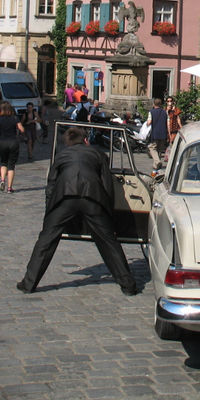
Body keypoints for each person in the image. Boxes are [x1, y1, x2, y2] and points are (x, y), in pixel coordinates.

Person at [17, 126, 138, 295]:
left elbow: (51, 185)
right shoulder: (97, 154)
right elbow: (107, 184)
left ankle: (28, 283)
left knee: (46, 240)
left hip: (64, 197)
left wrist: (49, 213)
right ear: (86, 141)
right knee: (109, 241)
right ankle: (128, 285)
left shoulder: (61, 156)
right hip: (92, 197)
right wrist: (107, 211)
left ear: (67, 143)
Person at [0, 101, 25, 193]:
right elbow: (22, 129)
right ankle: (9, 188)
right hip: (13, 142)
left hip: (3, 142)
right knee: (11, 165)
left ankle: (3, 180)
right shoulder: (15, 118)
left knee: (4, 163)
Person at [147, 98, 169, 170]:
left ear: (154, 104)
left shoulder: (152, 112)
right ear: (160, 104)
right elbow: (167, 123)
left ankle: (157, 161)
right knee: (159, 149)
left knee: (152, 147)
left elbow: (149, 122)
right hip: (163, 133)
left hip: (155, 133)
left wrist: (147, 124)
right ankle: (156, 165)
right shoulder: (164, 112)